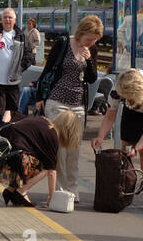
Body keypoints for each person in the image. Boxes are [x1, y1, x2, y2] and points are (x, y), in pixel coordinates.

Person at [36, 14, 104, 197]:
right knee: (59, 149)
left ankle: (72, 189)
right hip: (56, 101)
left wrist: (89, 60)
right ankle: (59, 189)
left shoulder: (92, 50)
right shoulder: (63, 43)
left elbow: (92, 78)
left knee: (74, 150)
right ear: (81, 32)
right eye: (89, 39)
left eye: (94, 40)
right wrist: (39, 96)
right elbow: (48, 69)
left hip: (77, 106)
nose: (90, 43)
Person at [92, 67, 143, 212]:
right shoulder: (119, 87)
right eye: (124, 97)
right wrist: (100, 137)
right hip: (131, 112)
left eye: (129, 98)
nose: (127, 100)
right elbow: (109, 116)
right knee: (125, 149)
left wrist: (137, 148)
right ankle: (123, 189)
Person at [0, 111, 82, 208]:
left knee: (35, 160)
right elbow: (51, 172)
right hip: (13, 152)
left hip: (3, 146)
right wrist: (52, 199)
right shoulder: (53, 136)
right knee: (44, 168)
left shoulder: (44, 121)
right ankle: (22, 191)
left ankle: (11, 190)